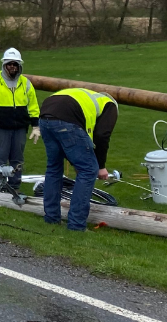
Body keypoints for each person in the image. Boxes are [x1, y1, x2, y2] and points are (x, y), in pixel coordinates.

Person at [38, 87, 118, 231]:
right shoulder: (110, 106)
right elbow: (102, 135)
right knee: (88, 170)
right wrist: (100, 166)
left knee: (54, 167)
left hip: (45, 117)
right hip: (66, 119)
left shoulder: (87, 99)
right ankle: (76, 225)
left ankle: (51, 218)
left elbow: (78, 140)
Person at [0, 48, 40, 193]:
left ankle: (14, 187)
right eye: (9, 64)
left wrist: (36, 126)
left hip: (20, 127)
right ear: (4, 65)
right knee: (0, 158)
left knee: (17, 159)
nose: (12, 67)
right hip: (1, 127)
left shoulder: (26, 83)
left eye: (15, 64)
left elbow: (33, 105)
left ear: (19, 66)